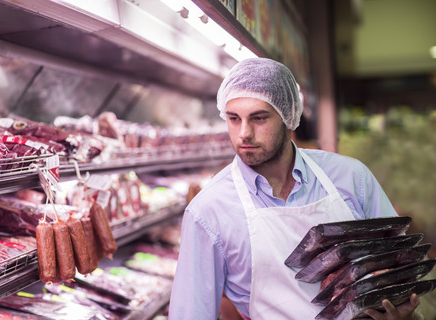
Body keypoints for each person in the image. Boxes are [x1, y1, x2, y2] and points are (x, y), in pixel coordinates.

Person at [168, 58, 421, 320]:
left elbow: (399, 267)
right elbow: (190, 313)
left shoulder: (351, 178)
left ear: (289, 116)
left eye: (258, 118)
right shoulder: (208, 211)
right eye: (234, 118)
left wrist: (399, 310)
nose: (244, 133)